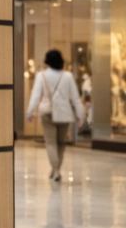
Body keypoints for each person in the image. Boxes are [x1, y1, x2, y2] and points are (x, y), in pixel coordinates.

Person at [27, 49, 85, 182]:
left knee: (51, 143)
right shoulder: (68, 76)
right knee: (60, 143)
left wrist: (30, 111)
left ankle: (56, 170)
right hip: (65, 114)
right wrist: (80, 115)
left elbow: (36, 95)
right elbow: (75, 98)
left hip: (48, 112)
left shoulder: (42, 76)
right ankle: (55, 170)